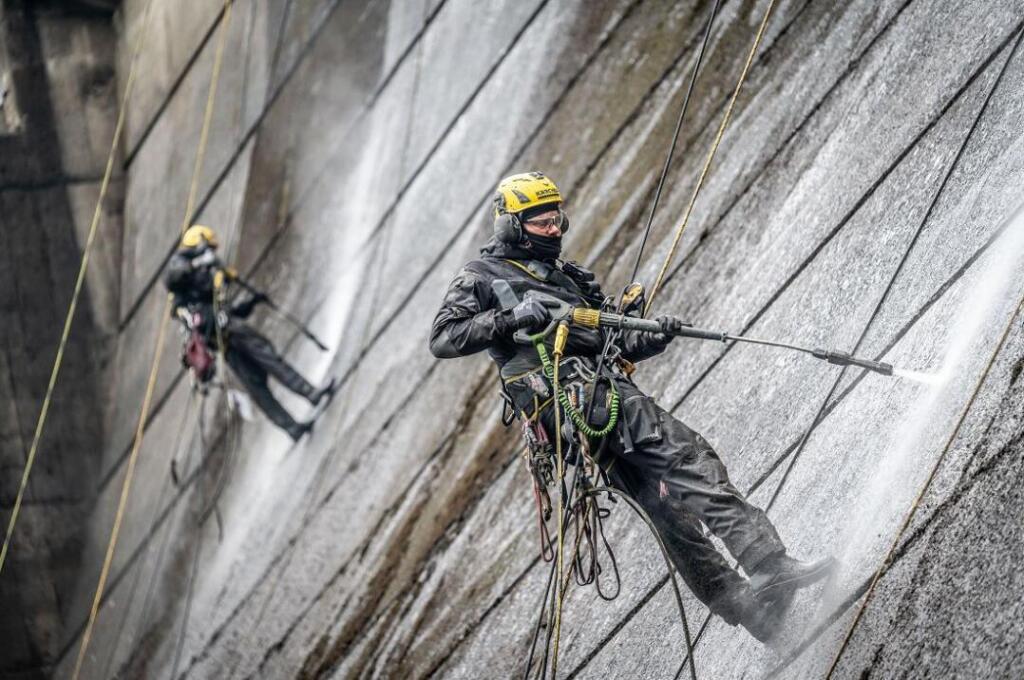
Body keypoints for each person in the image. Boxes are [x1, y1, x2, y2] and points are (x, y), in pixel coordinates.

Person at [429, 172, 835, 641]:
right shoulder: (480, 278)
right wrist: (510, 318)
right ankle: (767, 564)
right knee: (685, 458)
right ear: (511, 226)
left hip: (592, 402)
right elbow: (443, 337)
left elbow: (611, 341)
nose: (554, 229)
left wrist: (650, 336)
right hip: (577, 400)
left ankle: (753, 613)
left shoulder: (569, 276)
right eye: (540, 223)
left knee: (666, 508)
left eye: (556, 218)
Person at [164, 225, 333, 442]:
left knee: (256, 381)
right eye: (208, 248)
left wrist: (251, 302)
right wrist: (206, 264)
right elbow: (176, 276)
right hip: (225, 333)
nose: (212, 255)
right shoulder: (181, 265)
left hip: (223, 335)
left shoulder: (197, 285)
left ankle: (293, 425)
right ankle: (309, 397)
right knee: (268, 362)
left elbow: (223, 308)